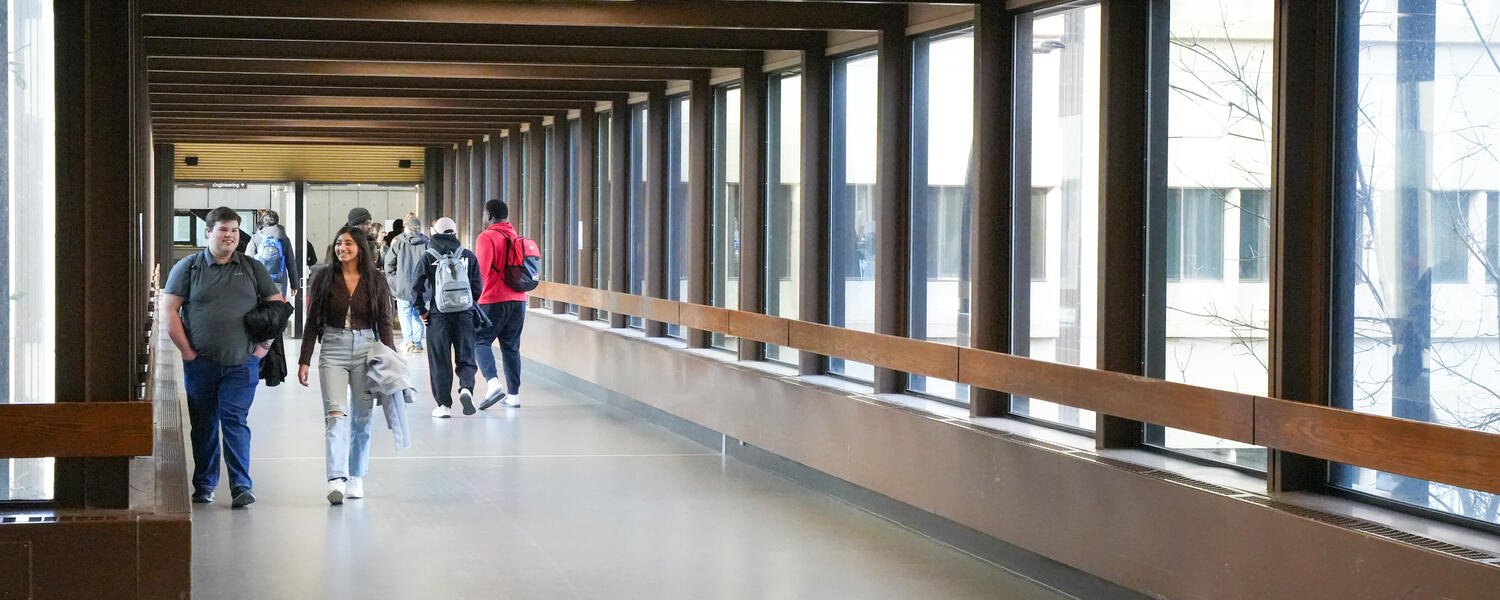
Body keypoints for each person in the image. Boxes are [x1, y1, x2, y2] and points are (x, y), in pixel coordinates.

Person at [162, 206, 285, 508]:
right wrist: (186, 351)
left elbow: (278, 307)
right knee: (203, 425)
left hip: (242, 364)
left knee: (234, 420)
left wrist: (263, 347)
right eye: (223, 229)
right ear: (209, 232)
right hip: (200, 364)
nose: (230, 235)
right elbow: (169, 309)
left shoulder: (252, 267)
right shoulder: (188, 268)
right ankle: (204, 484)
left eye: (234, 230)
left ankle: (241, 485)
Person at [298, 226, 397, 505]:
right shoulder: (324, 278)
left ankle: (356, 476)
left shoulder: (376, 280)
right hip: (333, 349)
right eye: (339, 243)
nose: (342, 247)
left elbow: (385, 323)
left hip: (367, 349)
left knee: (362, 419)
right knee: (335, 416)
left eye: (349, 243)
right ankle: (336, 479)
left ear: (361, 248)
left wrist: (390, 360)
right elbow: (312, 320)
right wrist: (305, 359)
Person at [413, 217, 482, 418]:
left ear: (434, 233)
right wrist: (467, 305)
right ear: (454, 233)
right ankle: (466, 387)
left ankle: (443, 406)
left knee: (439, 359)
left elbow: (416, 287)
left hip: (438, 316)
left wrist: (422, 311)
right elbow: (477, 286)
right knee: (466, 355)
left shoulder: (428, 256)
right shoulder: (467, 255)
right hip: (465, 315)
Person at [474, 200, 534, 409]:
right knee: (511, 348)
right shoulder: (516, 237)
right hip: (518, 300)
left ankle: (492, 383)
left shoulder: (486, 237)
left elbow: (480, 273)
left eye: (483, 214)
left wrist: (472, 300)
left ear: (489, 215)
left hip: (492, 300)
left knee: (479, 341)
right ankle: (514, 396)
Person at [384, 215, 431, 355]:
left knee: (404, 314)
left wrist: (394, 281)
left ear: (407, 227)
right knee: (418, 313)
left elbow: (388, 264)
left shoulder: (398, 241)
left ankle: (408, 341)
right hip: (421, 287)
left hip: (402, 286)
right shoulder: (427, 242)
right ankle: (417, 343)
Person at [245, 210, 301, 301]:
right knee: (278, 312)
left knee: (260, 313)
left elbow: (247, 261)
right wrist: (294, 285)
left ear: (263, 222)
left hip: (260, 284)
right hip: (279, 285)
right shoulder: (284, 238)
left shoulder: (256, 238)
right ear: (277, 221)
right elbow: (291, 263)